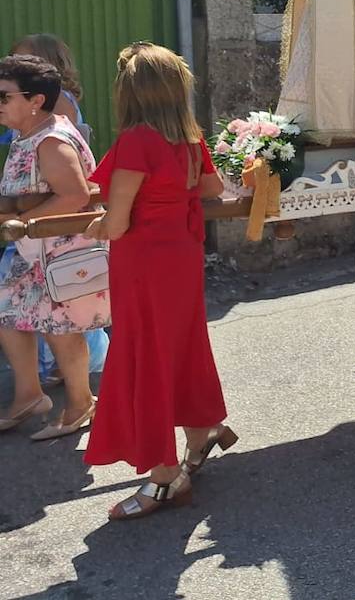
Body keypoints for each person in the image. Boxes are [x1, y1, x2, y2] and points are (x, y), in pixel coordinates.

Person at [84, 44, 231, 520]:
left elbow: (120, 222)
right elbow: (211, 188)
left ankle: (166, 478)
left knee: (147, 356)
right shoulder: (187, 139)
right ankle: (202, 429)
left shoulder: (135, 141)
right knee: (182, 346)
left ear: (131, 92)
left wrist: (99, 224)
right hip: (181, 258)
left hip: (145, 263)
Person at [0, 56, 107, 439]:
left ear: (36, 101)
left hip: (56, 251)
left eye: (4, 96)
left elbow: (75, 195)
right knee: (9, 315)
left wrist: (24, 224)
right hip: (34, 251)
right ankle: (29, 396)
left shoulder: (49, 140)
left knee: (60, 329)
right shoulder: (30, 133)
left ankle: (80, 404)